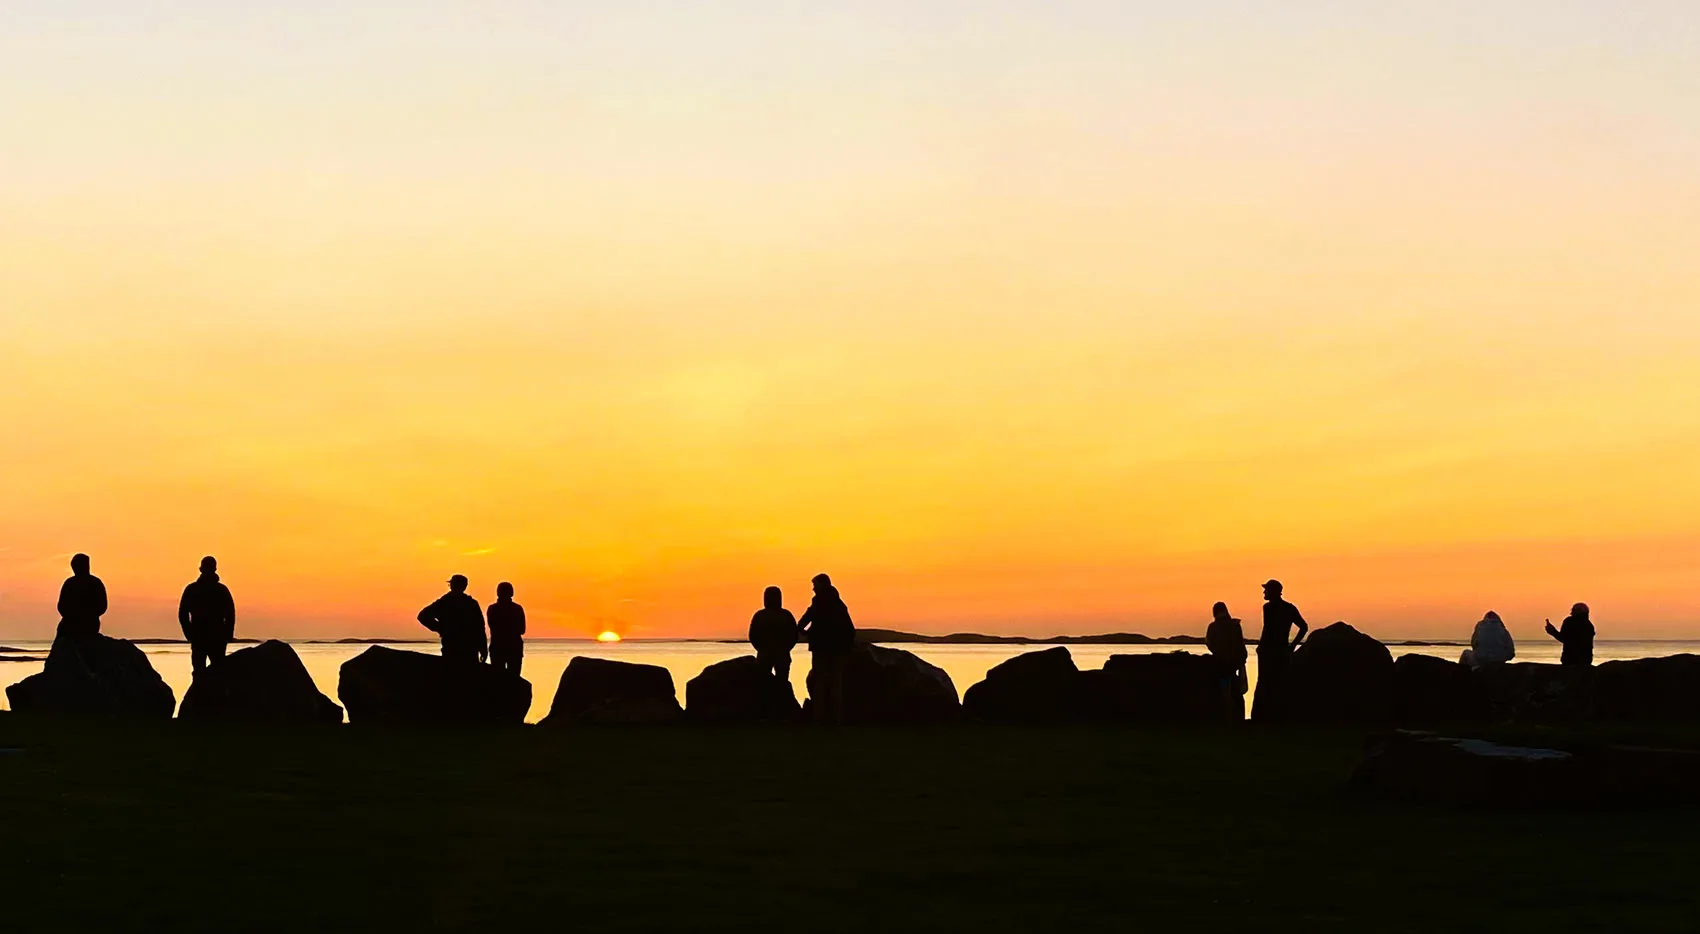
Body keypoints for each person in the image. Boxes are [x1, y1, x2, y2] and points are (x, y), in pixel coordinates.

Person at [797, 574, 856, 724]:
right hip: (838, 650)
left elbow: (806, 620)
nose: (813, 589)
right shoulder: (838, 604)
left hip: (822, 649)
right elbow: (850, 629)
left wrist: (804, 631)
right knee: (836, 684)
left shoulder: (819, 603)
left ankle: (820, 718)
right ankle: (835, 718)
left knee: (820, 683)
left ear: (822, 586)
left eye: (815, 585)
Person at [1250, 579, 1308, 723]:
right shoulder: (1289, 608)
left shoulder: (1268, 608)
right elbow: (1304, 627)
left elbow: (1268, 630)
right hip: (1281, 651)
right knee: (1279, 684)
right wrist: (1292, 645)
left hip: (1270, 651)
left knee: (1264, 683)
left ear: (1273, 592)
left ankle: (1261, 717)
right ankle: (1277, 717)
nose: (1264, 592)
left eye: (1266, 590)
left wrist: (1262, 648)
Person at [178, 556, 236, 675]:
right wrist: (190, 634)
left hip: (213, 637)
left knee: (213, 672)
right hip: (203, 637)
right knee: (206, 673)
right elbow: (182, 613)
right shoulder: (195, 589)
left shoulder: (219, 590)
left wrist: (227, 635)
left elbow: (230, 614)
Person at [418, 575, 487, 664]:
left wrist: (440, 628)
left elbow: (479, 628)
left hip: (458, 648)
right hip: (461, 648)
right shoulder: (469, 603)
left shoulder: (446, 602)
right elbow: (480, 628)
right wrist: (440, 628)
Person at [1205, 601, 1248, 721]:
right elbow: (1240, 645)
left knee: (1224, 692)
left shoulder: (1213, 627)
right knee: (1236, 693)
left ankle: (1225, 718)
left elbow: (1209, 643)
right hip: (1234, 665)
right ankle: (1238, 718)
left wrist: (1218, 653)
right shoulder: (1235, 625)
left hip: (1220, 665)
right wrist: (1241, 660)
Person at [748, 586, 799, 682]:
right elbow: (794, 636)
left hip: (766, 654)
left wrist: (762, 649)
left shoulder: (760, 615)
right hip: (781, 654)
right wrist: (785, 649)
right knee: (782, 682)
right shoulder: (786, 615)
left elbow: (752, 635)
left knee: (763, 683)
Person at [56, 553, 108, 640]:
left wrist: (87, 614)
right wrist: (71, 615)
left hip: (90, 623)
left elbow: (102, 606)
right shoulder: (70, 583)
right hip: (70, 622)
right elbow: (61, 605)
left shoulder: (95, 583)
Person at [486, 582, 526, 676]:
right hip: (513, 648)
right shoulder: (517, 608)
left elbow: (492, 626)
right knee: (514, 678)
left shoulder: (492, 609)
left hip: (498, 647)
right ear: (512, 593)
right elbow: (522, 630)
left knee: (499, 678)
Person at [1545, 603, 1595, 668]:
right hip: (1585, 660)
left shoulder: (1569, 622)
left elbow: (1564, 639)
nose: (1571, 613)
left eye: (1573, 610)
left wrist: (1553, 631)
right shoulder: (1589, 626)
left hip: (1570, 660)